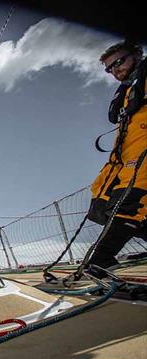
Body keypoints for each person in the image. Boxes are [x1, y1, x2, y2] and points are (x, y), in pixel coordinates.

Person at [87, 41, 147, 269]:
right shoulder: (127, 90)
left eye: (118, 62)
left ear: (136, 55)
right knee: (101, 204)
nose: (115, 70)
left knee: (129, 203)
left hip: (143, 153)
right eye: (109, 68)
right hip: (122, 157)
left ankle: (100, 262)